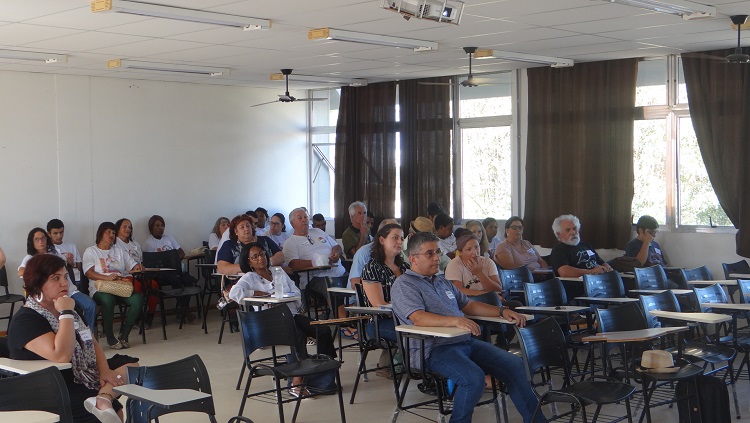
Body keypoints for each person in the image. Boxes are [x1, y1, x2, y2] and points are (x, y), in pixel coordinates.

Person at [390, 231, 544, 423]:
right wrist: (456, 320)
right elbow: (418, 317)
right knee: (474, 379)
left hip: (463, 342)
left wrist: (501, 311)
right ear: (413, 258)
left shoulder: (442, 281)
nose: (437, 257)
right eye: (430, 253)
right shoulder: (404, 284)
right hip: (432, 349)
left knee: (515, 365)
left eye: (438, 252)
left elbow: (469, 305)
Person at [8, 254, 138, 423]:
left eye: (66, 277)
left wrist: (105, 371)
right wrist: (66, 313)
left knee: (132, 366)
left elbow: (93, 342)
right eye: (56, 278)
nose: (65, 283)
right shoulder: (26, 319)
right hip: (52, 387)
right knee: (113, 416)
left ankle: (103, 398)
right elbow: (62, 355)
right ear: (37, 283)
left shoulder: (71, 310)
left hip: (81, 372)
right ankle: (103, 400)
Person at [228, 243, 336, 398]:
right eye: (255, 257)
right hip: (271, 320)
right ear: (249, 262)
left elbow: (295, 289)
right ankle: (296, 382)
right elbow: (234, 293)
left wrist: (296, 304)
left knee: (323, 330)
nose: (261, 258)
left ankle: (325, 372)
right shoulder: (249, 277)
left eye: (262, 254)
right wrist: (257, 293)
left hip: (291, 314)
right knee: (296, 334)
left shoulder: (277, 271)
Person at [19, 227, 98, 332]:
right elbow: (21, 272)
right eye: (37, 239)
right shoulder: (30, 258)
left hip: (70, 290)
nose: (41, 241)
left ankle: (87, 334)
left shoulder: (55, 253)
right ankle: (66, 333)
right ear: (32, 242)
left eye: (43, 238)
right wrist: (44, 273)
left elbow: (69, 266)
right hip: (51, 294)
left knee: (90, 305)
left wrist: (70, 262)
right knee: (64, 310)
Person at [83, 222, 144, 349]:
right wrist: (106, 278)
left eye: (113, 233)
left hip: (119, 287)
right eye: (109, 232)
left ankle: (124, 334)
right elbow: (89, 273)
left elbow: (132, 265)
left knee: (138, 299)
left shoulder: (119, 251)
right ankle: (110, 337)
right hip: (100, 288)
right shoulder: (91, 251)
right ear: (101, 234)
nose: (112, 235)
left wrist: (137, 267)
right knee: (108, 299)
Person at [48, 220, 99, 332]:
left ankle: (86, 335)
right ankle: (69, 334)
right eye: (55, 233)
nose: (59, 236)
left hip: (72, 287)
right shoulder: (47, 250)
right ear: (49, 234)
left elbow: (80, 267)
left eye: (61, 232)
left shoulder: (71, 246)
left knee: (91, 306)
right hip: (56, 291)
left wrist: (71, 264)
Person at [115, 218, 159, 329]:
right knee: (137, 287)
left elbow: (140, 261)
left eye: (129, 227)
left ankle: (150, 315)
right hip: (125, 276)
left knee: (154, 285)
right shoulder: (115, 244)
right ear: (118, 229)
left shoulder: (135, 243)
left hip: (139, 274)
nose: (127, 229)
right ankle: (136, 318)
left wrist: (141, 267)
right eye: (124, 226)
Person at [217, 214, 283, 275]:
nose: (246, 229)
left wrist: (265, 263)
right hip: (240, 281)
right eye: (242, 227)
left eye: (248, 226)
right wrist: (250, 267)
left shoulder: (265, 240)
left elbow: (281, 256)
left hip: (268, 277)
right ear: (236, 231)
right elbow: (222, 267)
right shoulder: (229, 245)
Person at [445, 230, 504, 298]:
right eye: (469, 249)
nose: (475, 252)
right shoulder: (454, 264)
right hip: (467, 303)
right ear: (460, 253)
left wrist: (480, 273)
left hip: (491, 299)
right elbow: (458, 291)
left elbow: (498, 289)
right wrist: (486, 295)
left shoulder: (488, 262)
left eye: (476, 247)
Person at [348, 219, 398, 287]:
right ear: (381, 237)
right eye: (394, 236)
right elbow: (354, 282)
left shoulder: (398, 254)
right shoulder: (364, 253)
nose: (399, 241)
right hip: (361, 295)